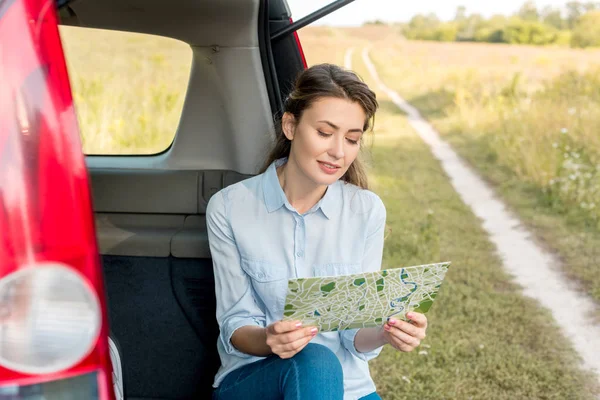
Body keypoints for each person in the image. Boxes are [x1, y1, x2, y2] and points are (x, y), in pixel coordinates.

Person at [207, 63, 428, 400]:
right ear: (291, 125)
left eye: (352, 139)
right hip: (256, 378)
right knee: (315, 360)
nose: (339, 152)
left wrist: (386, 332)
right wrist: (269, 339)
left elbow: (354, 332)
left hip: (348, 387)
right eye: (325, 133)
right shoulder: (229, 207)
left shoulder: (366, 210)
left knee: (324, 365)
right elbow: (235, 323)